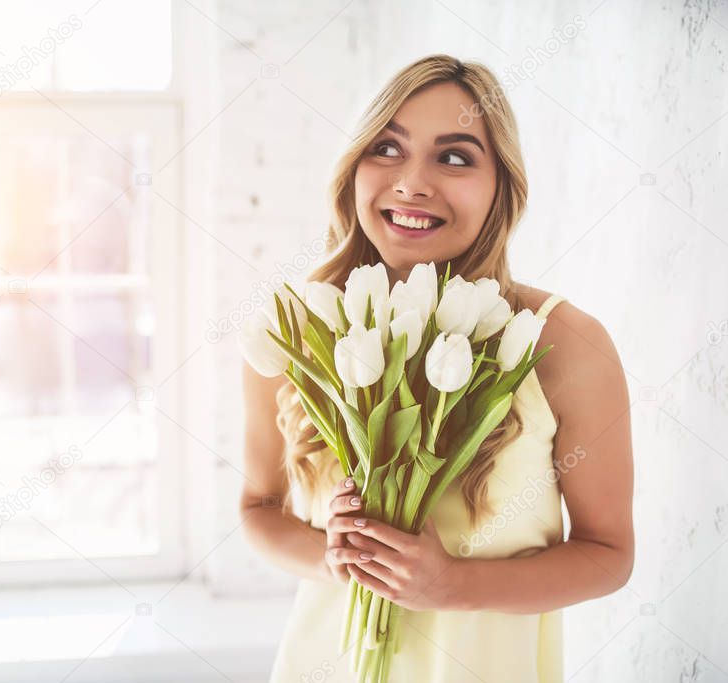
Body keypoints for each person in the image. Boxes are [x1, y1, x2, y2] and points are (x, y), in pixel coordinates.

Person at [240, 54, 634, 683]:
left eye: (454, 156)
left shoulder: (562, 343)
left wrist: (451, 585)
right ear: (354, 169)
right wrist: (332, 556)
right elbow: (256, 508)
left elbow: (609, 556)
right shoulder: (298, 330)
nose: (412, 183)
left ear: (501, 184)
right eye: (387, 148)